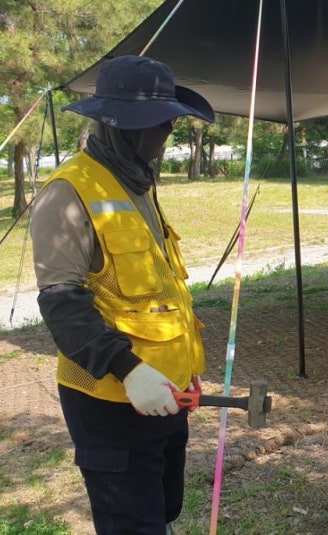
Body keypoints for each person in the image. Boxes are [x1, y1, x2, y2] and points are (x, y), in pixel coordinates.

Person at [30, 55, 214, 534]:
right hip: (113, 399)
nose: (170, 129)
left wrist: (183, 368)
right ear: (123, 126)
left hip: (165, 394)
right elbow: (61, 302)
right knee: (130, 522)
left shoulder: (135, 180)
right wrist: (129, 372)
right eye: (162, 122)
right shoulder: (68, 193)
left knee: (162, 508)